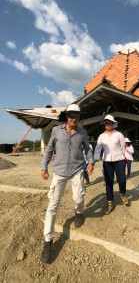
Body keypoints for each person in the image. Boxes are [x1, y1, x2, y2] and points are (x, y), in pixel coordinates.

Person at [40, 103, 94, 263]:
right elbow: (49, 150)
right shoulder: (56, 131)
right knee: (52, 205)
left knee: (78, 198)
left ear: (79, 117)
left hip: (77, 170)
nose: (73, 118)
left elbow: (88, 149)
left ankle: (79, 213)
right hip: (59, 172)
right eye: (71, 115)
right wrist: (44, 166)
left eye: (76, 115)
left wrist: (90, 161)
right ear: (66, 117)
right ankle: (48, 241)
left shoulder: (82, 133)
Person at [94, 114, 128, 215]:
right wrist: (95, 158)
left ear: (113, 124)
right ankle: (110, 202)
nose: (107, 124)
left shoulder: (119, 135)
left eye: (109, 123)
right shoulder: (102, 136)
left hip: (119, 160)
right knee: (109, 182)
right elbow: (98, 148)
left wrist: (123, 157)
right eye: (106, 123)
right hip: (107, 162)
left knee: (121, 179)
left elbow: (123, 147)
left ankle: (122, 193)